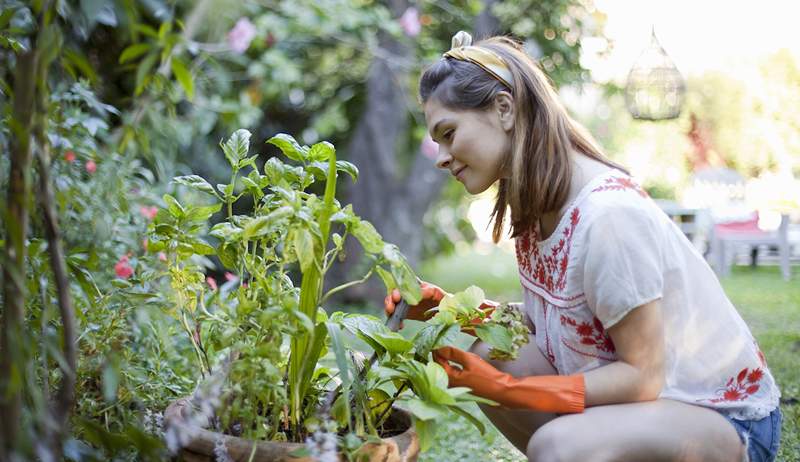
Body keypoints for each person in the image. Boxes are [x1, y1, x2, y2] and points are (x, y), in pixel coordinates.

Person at [384, 31, 782, 462]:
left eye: (448, 132)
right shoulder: (536, 205)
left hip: (718, 418)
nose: (441, 156)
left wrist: (508, 390)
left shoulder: (608, 217)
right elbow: (554, 325)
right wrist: (453, 310)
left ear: (503, 108)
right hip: (650, 409)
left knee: (558, 446)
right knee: (490, 349)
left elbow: (641, 376)